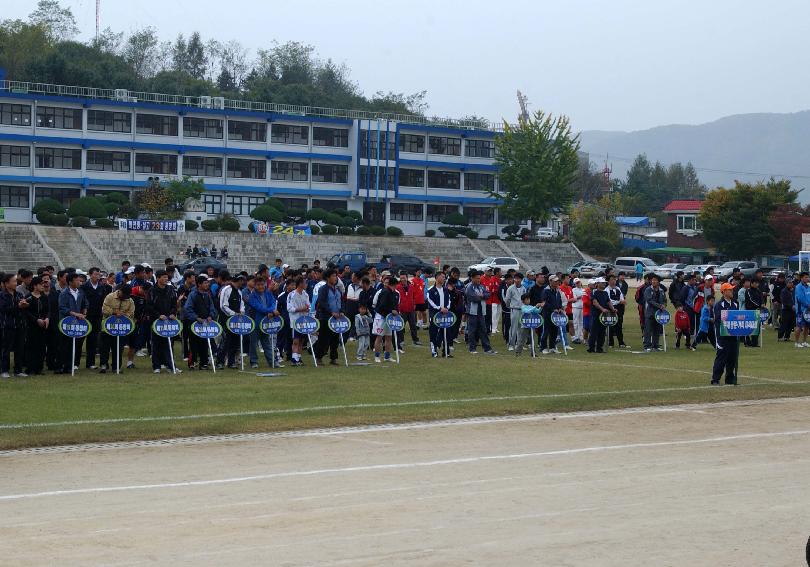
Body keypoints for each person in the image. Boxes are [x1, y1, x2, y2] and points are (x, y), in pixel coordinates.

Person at [146, 269, 180, 374]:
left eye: (167, 277)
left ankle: (170, 366)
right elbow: (148, 306)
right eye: (164, 277)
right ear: (158, 278)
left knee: (169, 343)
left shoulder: (171, 289)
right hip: (156, 321)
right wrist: (157, 315)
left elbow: (175, 304)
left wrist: (173, 313)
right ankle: (156, 366)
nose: (166, 279)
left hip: (169, 321)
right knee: (156, 344)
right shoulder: (152, 290)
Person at [247, 276, 282, 368]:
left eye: (262, 284)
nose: (260, 287)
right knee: (253, 344)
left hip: (266, 322)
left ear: (265, 284)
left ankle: (272, 362)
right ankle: (254, 362)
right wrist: (270, 311)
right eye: (258, 285)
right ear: (254, 285)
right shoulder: (252, 296)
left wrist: (271, 311)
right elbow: (259, 307)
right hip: (255, 322)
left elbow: (273, 303)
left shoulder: (268, 293)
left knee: (266, 343)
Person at [183, 275, 217, 371]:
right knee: (194, 344)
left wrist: (211, 316)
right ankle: (192, 362)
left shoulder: (207, 295)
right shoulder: (193, 295)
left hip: (206, 323)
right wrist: (196, 318)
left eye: (207, 283)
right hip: (194, 324)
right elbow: (187, 309)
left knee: (205, 343)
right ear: (199, 284)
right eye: (205, 283)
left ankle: (204, 363)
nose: (207, 285)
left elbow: (212, 308)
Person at [99, 285, 135, 373]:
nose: (125, 298)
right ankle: (103, 365)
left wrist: (124, 314)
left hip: (121, 328)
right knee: (104, 347)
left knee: (118, 348)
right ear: (120, 291)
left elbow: (131, 313)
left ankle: (116, 366)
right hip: (107, 326)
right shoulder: (109, 297)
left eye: (127, 296)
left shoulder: (130, 300)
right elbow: (104, 309)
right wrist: (114, 312)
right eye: (124, 295)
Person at [57, 272, 89, 374]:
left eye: (79, 280)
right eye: (77, 280)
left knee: (73, 345)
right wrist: (75, 314)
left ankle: (69, 366)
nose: (79, 282)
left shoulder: (81, 292)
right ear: (70, 282)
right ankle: (60, 366)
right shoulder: (64, 293)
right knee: (63, 345)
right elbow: (62, 308)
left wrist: (84, 309)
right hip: (66, 322)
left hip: (77, 322)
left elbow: (85, 302)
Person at [81, 267, 111, 370]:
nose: (97, 276)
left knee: (93, 340)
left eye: (99, 275)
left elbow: (104, 301)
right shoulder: (84, 286)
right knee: (80, 339)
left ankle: (90, 363)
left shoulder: (102, 287)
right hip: (85, 316)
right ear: (90, 275)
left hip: (97, 316)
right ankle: (75, 363)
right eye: (95, 274)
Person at [712, 282, 740, 385]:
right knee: (721, 358)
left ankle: (729, 379)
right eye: (730, 290)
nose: (732, 291)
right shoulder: (719, 305)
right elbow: (718, 319)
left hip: (733, 335)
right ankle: (715, 379)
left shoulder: (735, 303)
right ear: (724, 292)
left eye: (732, 289)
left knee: (732, 358)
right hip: (722, 335)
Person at [217, 275, 246, 369]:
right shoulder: (226, 289)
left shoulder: (239, 292)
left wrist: (241, 312)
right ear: (238, 280)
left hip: (236, 321)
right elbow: (223, 306)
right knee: (225, 341)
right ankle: (219, 362)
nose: (243, 282)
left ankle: (231, 362)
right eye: (242, 280)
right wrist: (233, 314)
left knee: (235, 341)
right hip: (225, 320)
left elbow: (242, 304)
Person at [315, 269, 342, 366]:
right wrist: (331, 312)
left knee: (335, 338)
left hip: (337, 318)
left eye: (336, 276)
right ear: (328, 277)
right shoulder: (323, 289)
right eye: (333, 276)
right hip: (325, 317)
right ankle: (319, 358)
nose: (335, 278)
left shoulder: (338, 289)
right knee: (323, 338)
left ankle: (333, 358)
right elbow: (322, 303)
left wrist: (341, 311)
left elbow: (340, 302)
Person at [464, 270, 496, 355]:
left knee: (483, 330)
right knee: (472, 330)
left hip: (481, 311)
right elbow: (472, 297)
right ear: (472, 278)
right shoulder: (469, 287)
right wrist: (482, 297)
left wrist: (482, 296)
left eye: (479, 278)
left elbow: (488, 294)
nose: (479, 280)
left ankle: (487, 349)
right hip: (472, 312)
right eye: (477, 278)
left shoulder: (481, 287)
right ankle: (472, 348)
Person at [23, 276, 49, 375]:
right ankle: (31, 368)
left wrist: (47, 318)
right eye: (41, 284)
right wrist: (36, 320)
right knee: (31, 347)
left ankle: (39, 368)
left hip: (43, 326)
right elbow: (26, 312)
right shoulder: (28, 297)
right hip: (31, 326)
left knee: (42, 347)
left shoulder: (44, 297)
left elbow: (48, 310)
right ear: (34, 286)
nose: (43, 286)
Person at [372, 276, 400, 363]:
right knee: (379, 337)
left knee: (389, 337)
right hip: (381, 317)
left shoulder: (396, 294)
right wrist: (391, 311)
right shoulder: (384, 292)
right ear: (393, 285)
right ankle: (377, 356)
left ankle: (387, 356)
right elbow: (382, 305)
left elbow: (396, 306)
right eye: (395, 285)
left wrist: (396, 312)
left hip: (390, 318)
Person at [427, 271, 452, 358]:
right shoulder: (431, 290)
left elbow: (449, 300)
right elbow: (430, 302)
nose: (444, 278)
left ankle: (446, 352)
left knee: (447, 333)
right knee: (433, 333)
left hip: (445, 315)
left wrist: (446, 308)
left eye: (444, 277)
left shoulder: (445, 290)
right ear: (437, 278)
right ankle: (434, 351)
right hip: (435, 315)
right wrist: (439, 309)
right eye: (442, 276)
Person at [287, 276, 311, 367]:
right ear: (300, 283)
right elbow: (289, 308)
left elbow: (308, 305)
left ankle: (299, 358)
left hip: (304, 321)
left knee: (301, 340)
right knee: (296, 340)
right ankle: (294, 359)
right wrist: (301, 309)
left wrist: (308, 308)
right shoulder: (291, 295)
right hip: (295, 321)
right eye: (305, 282)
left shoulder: (305, 294)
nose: (306, 284)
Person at [587, 278, 613, 353]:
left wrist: (613, 309)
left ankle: (599, 348)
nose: (604, 284)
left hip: (604, 315)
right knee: (594, 332)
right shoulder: (594, 292)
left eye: (604, 283)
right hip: (596, 315)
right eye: (602, 283)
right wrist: (602, 309)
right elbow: (595, 302)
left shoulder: (605, 293)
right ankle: (591, 348)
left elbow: (608, 302)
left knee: (602, 332)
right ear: (597, 284)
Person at [643, 274, 667, 352]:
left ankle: (655, 345)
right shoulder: (648, 290)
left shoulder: (661, 290)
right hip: (649, 312)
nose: (653, 281)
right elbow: (649, 301)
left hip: (659, 313)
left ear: (658, 282)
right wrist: (660, 306)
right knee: (648, 330)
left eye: (655, 280)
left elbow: (664, 300)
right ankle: (647, 346)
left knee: (657, 330)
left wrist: (664, 305)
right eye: (652, 280)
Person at [539, 275, 563, 354]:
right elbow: (544, 303)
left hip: (556, 315)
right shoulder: (546, 290)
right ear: (550, 281)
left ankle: (552, 347)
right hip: (547, 314)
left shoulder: (557, 290)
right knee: (546, 331)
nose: (557, 282)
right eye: (555, 281)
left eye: (557, 281)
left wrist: (560, 308)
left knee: (554, 331)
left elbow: (559, 301)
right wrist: (553, 309)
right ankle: (543, 347)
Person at [395, 272, 419, 348]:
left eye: (404, 277)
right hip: (402, 310)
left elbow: (414, 296)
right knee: (401, 326)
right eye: (401, 278)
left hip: (411, 309)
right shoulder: (397, 287)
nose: (403, 279)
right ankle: (401, 341)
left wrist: (414, 304)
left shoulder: (411, 286)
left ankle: (415, 340)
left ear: (407, 277)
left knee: (413, 325)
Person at [606, 274, 627, 348]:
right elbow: (609, 300)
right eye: (611, 280)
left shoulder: (618, 288)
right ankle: (610, 343)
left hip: (619, 309)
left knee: (619, 326)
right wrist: (619, 302)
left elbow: (621, 298)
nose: (613, 281)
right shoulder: (607, 290)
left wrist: (622, 301)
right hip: (611, 309)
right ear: (608, 281)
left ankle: (621, 342)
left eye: (614, 280)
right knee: (611, 326)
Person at [795, 272, 810, 348]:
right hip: (801, 310)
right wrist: (807, 305)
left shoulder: (808, 286)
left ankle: (804, 341)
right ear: (801, 278)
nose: (807, 278)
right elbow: (800, 298)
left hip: (808, 311)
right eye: (806, 277)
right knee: (799, 326)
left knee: (807, 326)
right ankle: (797, 343)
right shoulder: (798, 287)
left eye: (808, 277)